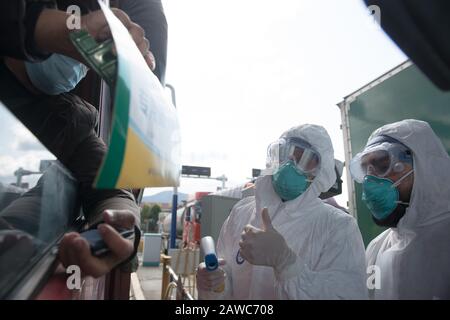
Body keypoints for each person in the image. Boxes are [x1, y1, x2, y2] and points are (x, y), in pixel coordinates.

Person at [0, 0, 167, 278]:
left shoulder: (66, 121)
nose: (77, 61)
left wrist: (116, 227)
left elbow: (114, 192)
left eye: (85, 60)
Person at [196, 124, 367, 299]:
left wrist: (287, 264)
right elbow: (226, 279)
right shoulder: (241, 213)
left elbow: (346, 294)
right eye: (285, 154)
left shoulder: (338, 227)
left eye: (304, 159)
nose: (289, 165)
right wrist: (213, 284)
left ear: (320, 172)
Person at [350, 119, 450, 300]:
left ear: (423, 165)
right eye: (366, 169)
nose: (370, 181)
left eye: (382, 164)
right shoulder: (375, 249)